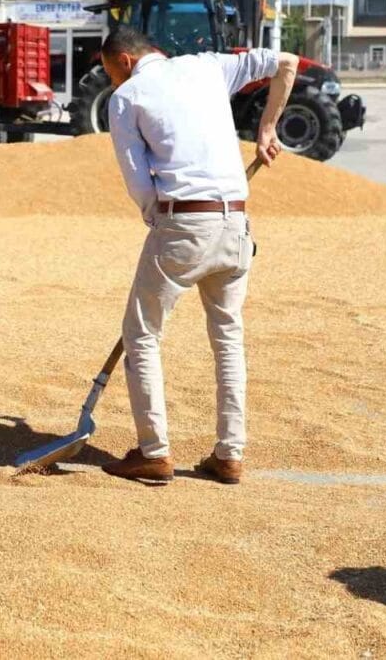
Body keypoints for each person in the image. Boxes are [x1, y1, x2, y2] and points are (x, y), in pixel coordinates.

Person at [98, 26, 297, 486]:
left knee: (142, 335)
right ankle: (229, 455)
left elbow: (138, 182)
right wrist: (267, 128)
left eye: (111, 74)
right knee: (228, 336)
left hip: (183, 222)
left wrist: (159, 220)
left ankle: (154, 452)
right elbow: (286, 63)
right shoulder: (209, 65)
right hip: (236, 223)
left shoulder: (127, 97)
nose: (113, 84)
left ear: (125, 61)